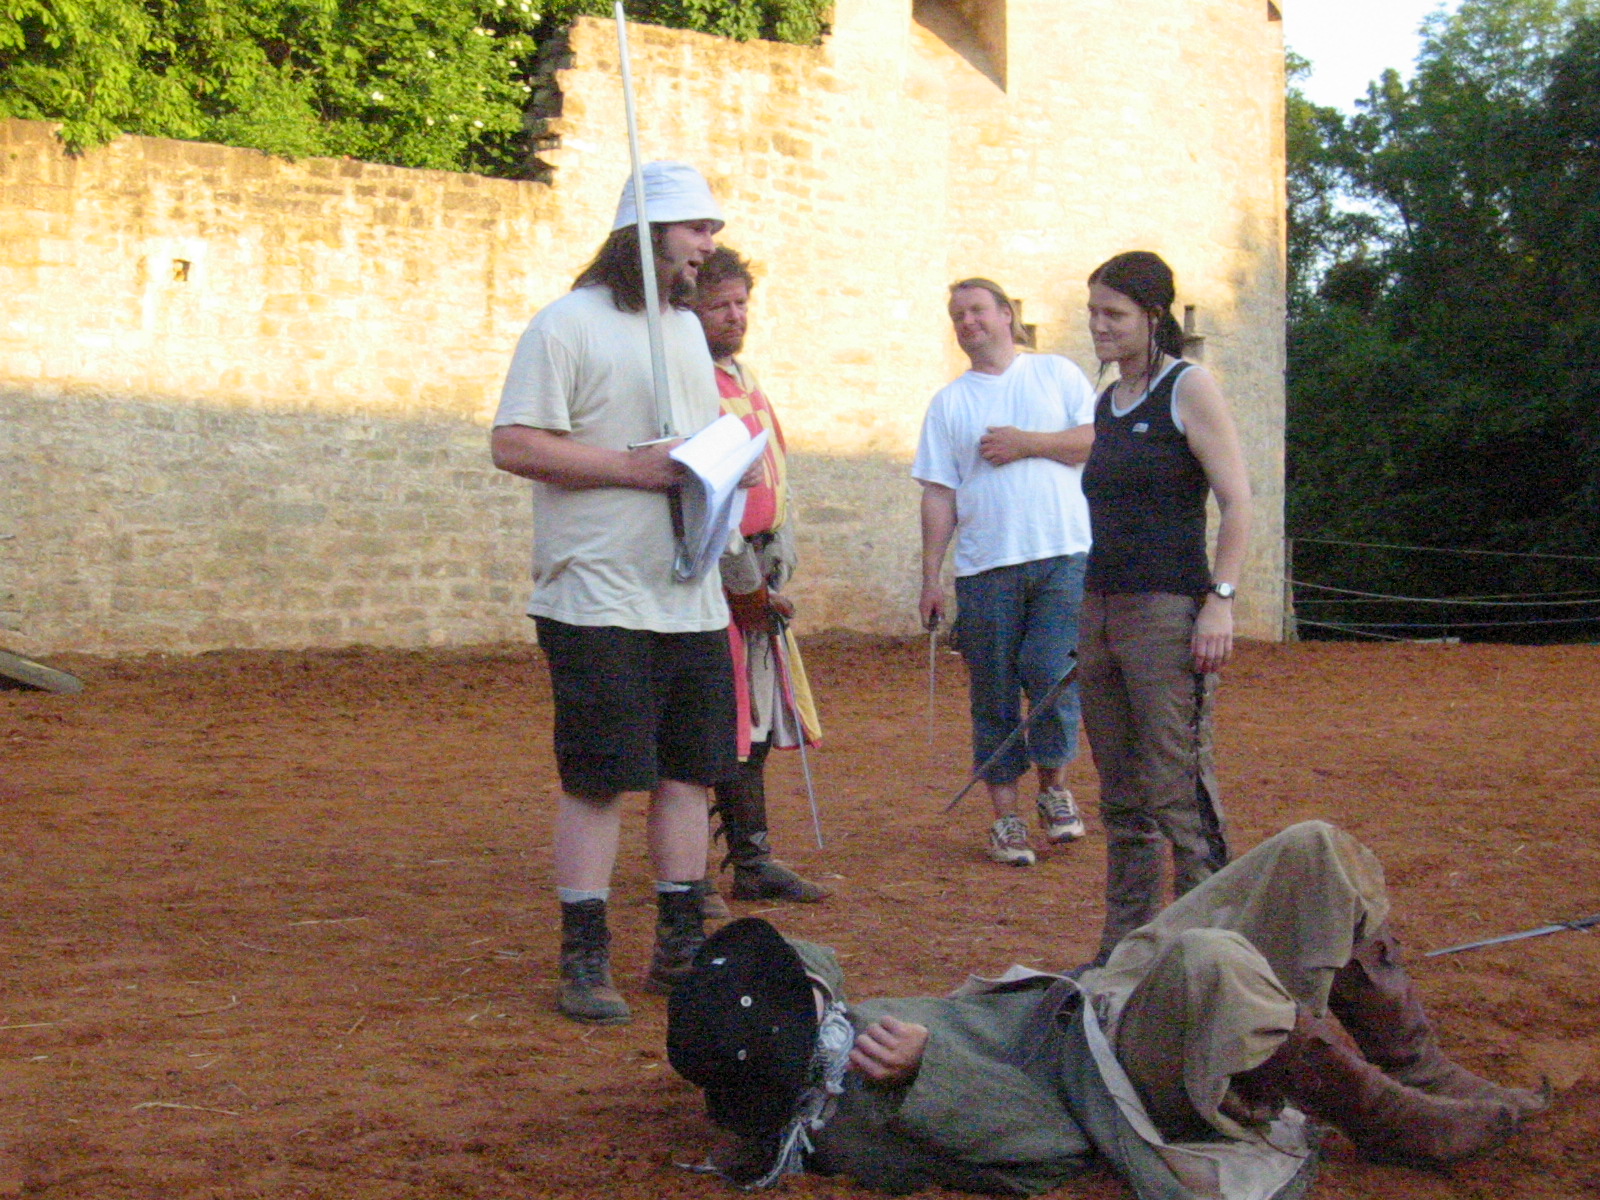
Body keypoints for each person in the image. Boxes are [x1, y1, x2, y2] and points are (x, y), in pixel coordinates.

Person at [667, 821, 1549, 1197]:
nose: (810, 995)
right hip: (1119, 1084)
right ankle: (1383, 1116)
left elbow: (812, 967)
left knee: (1311, 852)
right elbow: (1054, 1147)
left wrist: (803, 987)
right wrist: (924, 1075)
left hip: (1099, 996)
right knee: (1213, 964)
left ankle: (1416, 1066)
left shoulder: (821, 1032)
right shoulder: (853, 1124)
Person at [490, 161, 734, 1026]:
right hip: (596, 595)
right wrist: (634, 469)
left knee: (689, 774)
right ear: (649, 232)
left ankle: (679, 945)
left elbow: (697, 448)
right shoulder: (565, 324)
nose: (708, 244)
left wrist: (723, 481)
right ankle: (585, 955)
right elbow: (515, 444)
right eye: (696, 227)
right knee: (599, 779)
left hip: (688, 590)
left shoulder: (687, 332)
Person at [1077, 251, 1253, 962]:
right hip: (1100, 611)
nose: (1099, 326)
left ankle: (1208, 955)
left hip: (1166, 611)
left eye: (1113, 313)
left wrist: (1220, 602)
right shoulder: (1107, 402)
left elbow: (1238, 502)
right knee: (1121, 798)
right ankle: (1123, 952)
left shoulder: (1189, 386)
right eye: (1093, 312)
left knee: (1177, 788)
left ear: (1153, 316)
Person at [913, 279, 1098, 867]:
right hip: (985, 569)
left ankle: (1054, 790)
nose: (967, 322)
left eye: (977, 310)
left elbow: (1092, 440)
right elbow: (939, 493)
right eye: (957, 315)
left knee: (1050, 671)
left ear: (1006, 314)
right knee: (992, 690)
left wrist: (1025, 443)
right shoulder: (949, 404)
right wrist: (931, 577)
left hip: (1064, 555)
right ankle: (1006, 821)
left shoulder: (1056, 373)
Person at [692, 246, 830, 906]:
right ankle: (689, 871)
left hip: (756, 579)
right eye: (719, 305)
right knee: (712, 722)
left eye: (741, 303)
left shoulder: (744, 379)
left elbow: (777, 473)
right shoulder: (691, 385)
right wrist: (744, 584)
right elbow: (707, 501)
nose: (734, 315)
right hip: (715, 586)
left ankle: (752, 860)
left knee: (755, 724)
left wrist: (777, 560)